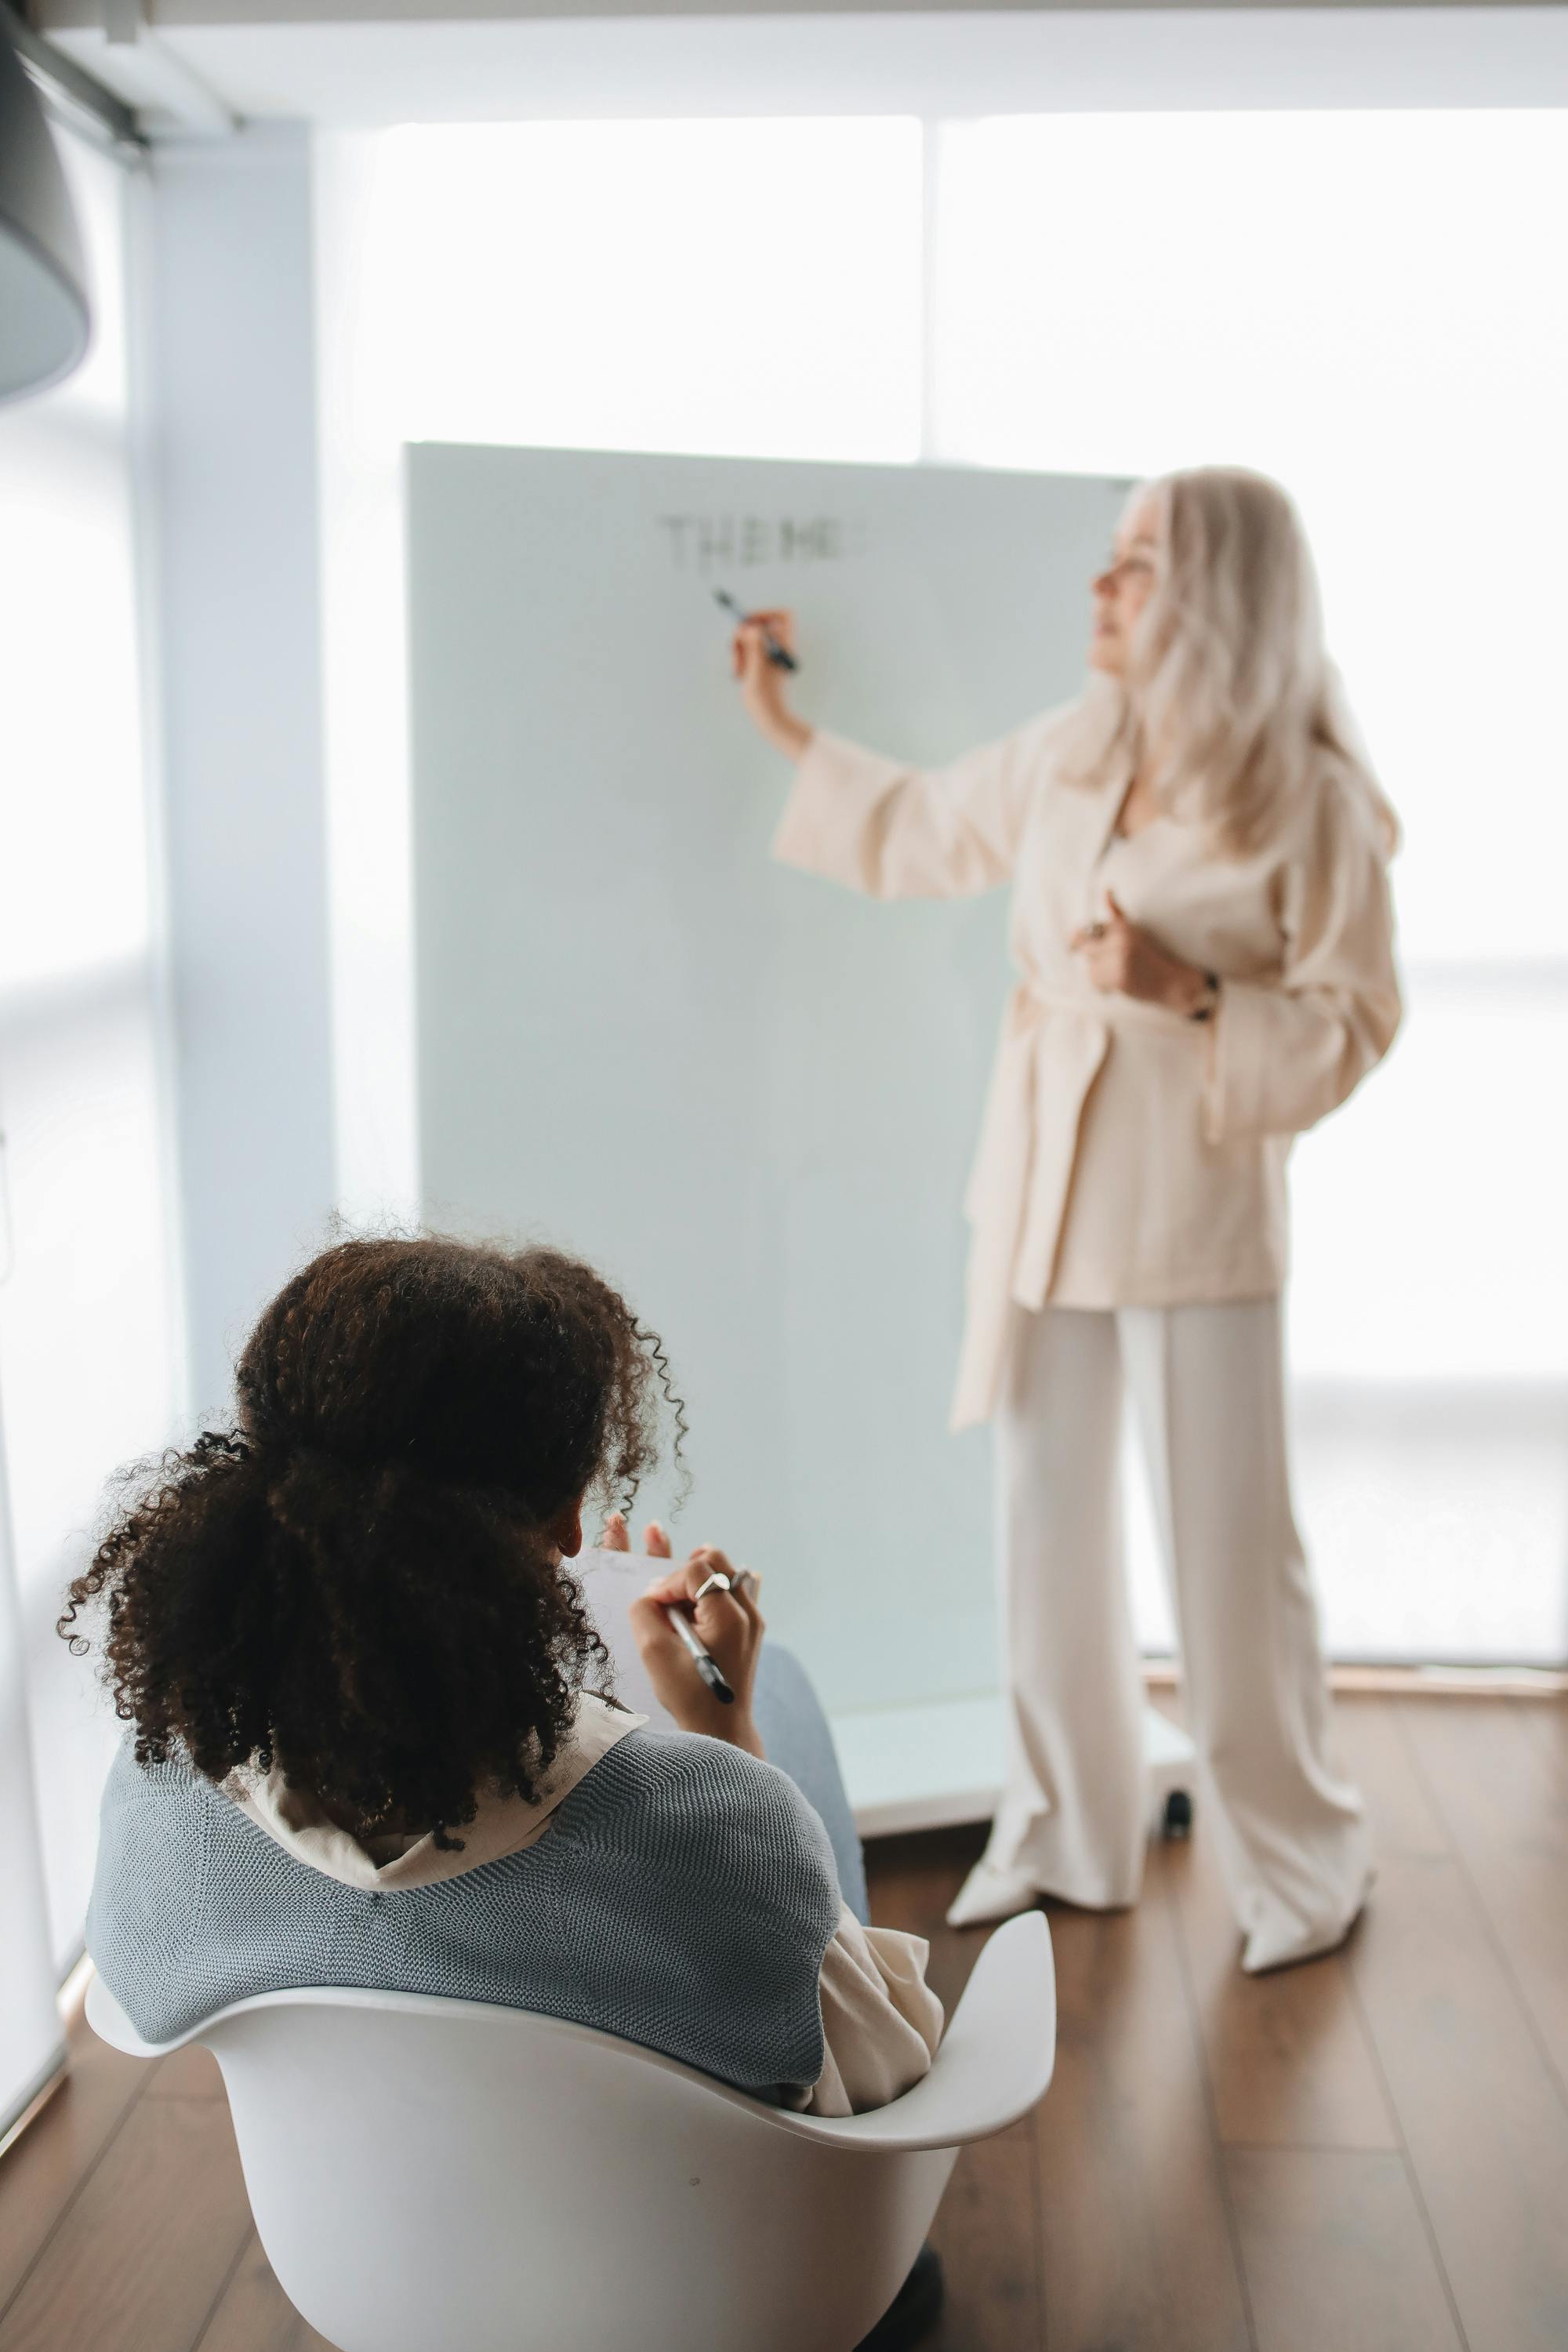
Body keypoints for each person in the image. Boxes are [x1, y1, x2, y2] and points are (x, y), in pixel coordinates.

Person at [730, 466, 1401, 1973]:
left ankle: (1302, 1861)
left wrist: (1197, 992)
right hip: (1043, 1180)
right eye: (1108, 561)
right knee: (1046, 1524)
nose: (1102, 590)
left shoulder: (1308, 795)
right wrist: (782, 723)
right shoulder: (1079, 748)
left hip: (1197, 1199)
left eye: (1138, 566)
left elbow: (1359, 1019)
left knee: (1229, 1547)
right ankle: (1068, 1830)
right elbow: (924, 827)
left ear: (1219, 593)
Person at [64, 1236, 946, 2345]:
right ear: (570, 1528)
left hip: (368, 2285)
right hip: (718, 2293)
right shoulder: (720, 1831)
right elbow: (883, 2067)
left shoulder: (160, 1790)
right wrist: (719, 1735)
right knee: (799, 1705)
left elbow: (144, 1992)